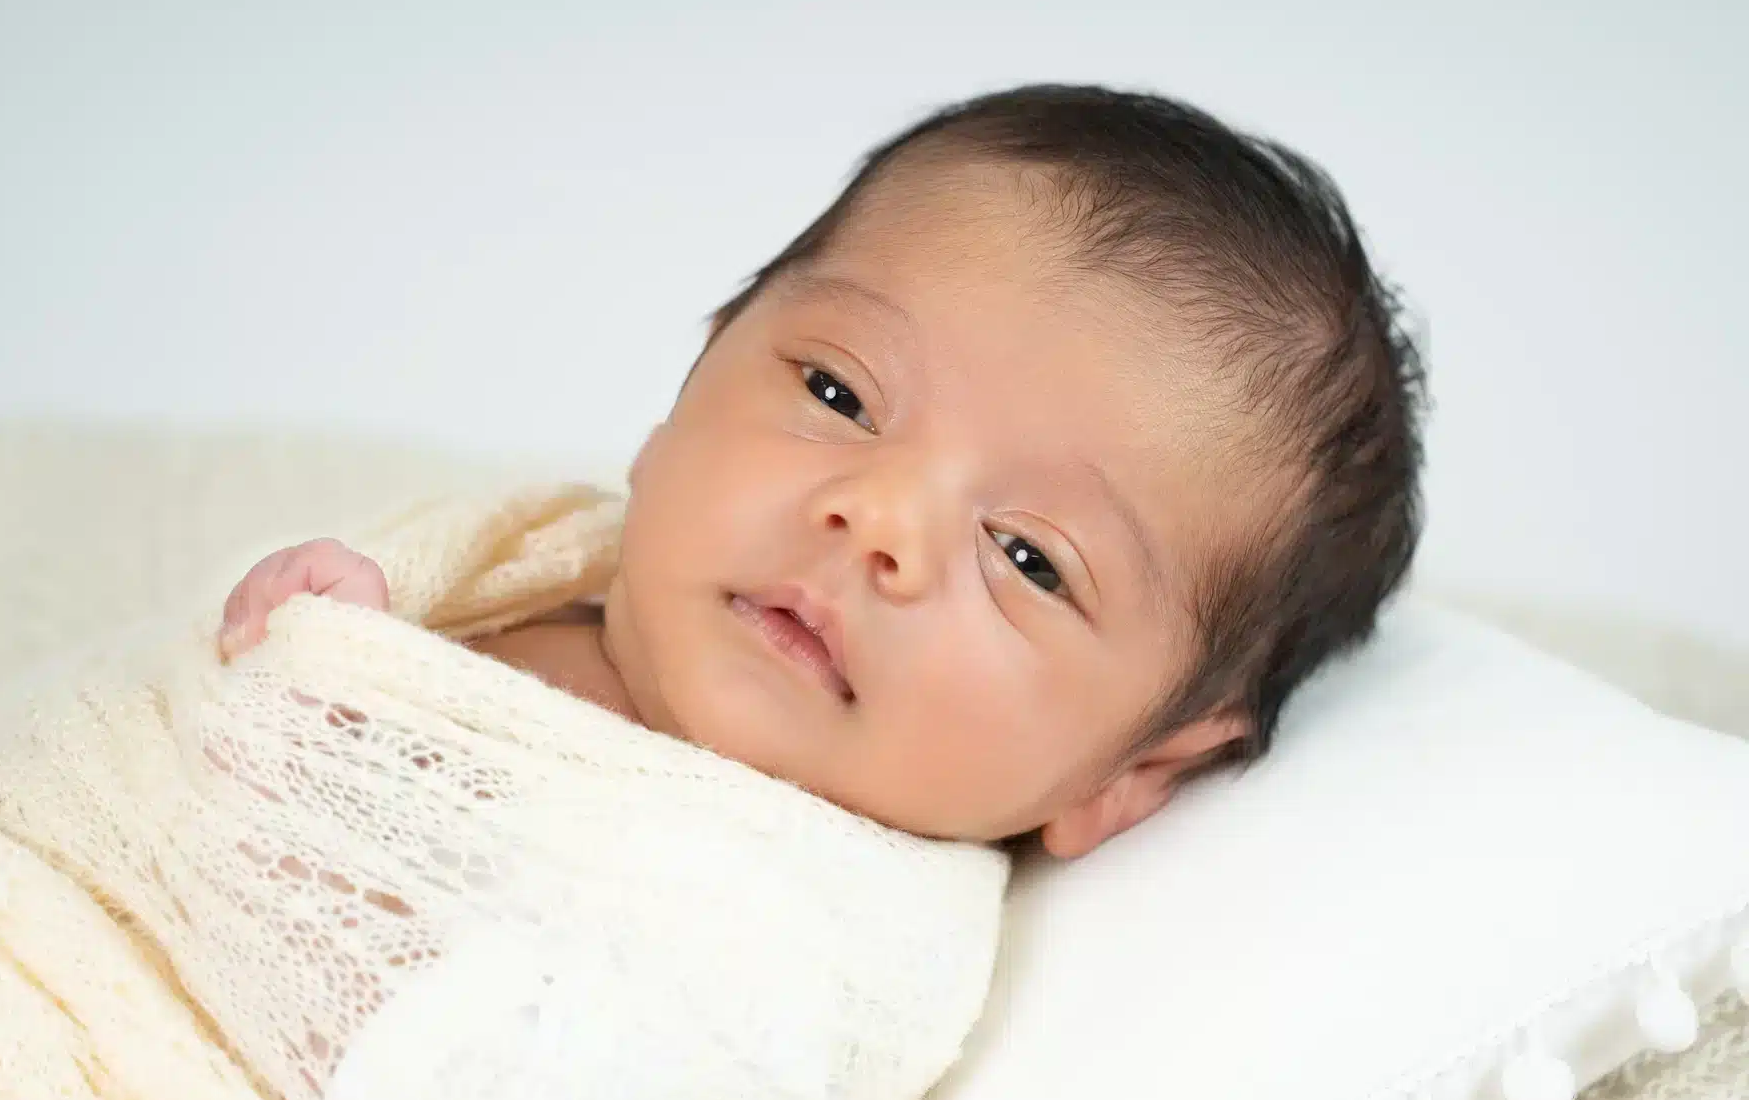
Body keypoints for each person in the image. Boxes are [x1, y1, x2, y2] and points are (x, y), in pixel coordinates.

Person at [218, 83, 1426, 857]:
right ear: (689, 390)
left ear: (1136, 769)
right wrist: (319, 662)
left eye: (1028, 557)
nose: (881, 516)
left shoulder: (828, 938)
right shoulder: (507, 573)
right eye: (839, 394)